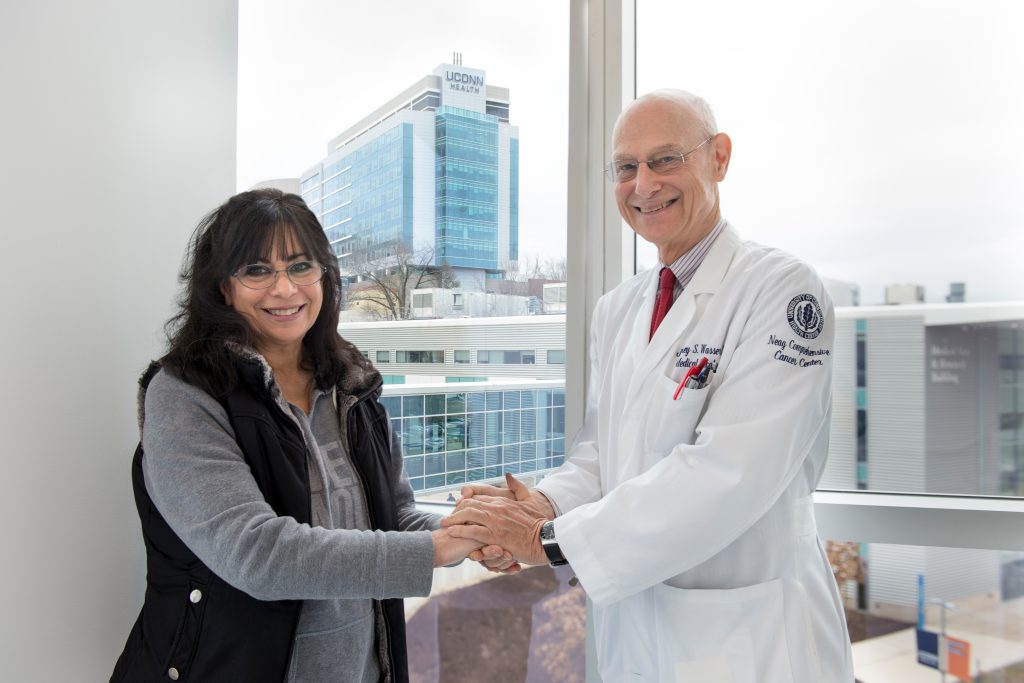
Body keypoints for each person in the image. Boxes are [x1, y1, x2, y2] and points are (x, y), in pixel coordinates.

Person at [444, 90, 855, 681]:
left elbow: (730, 473)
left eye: (666, 160)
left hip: (750, 638)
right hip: (633, 634)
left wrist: (549, 541)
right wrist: (542, 505)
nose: (644, 184)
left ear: (719, 158)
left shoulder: (783, 292)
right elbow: (600, 456)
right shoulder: (618, 309)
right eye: (626, 168)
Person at [110, 189, 508, 683]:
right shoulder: (185, 395)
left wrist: (469, 531)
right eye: (257, 270)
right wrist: (433, 553)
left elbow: (394, 515)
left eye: (301, 266)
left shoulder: (352, 385)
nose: (285, 289)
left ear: (325, 276)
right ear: (221, 288)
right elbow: (255, 554)